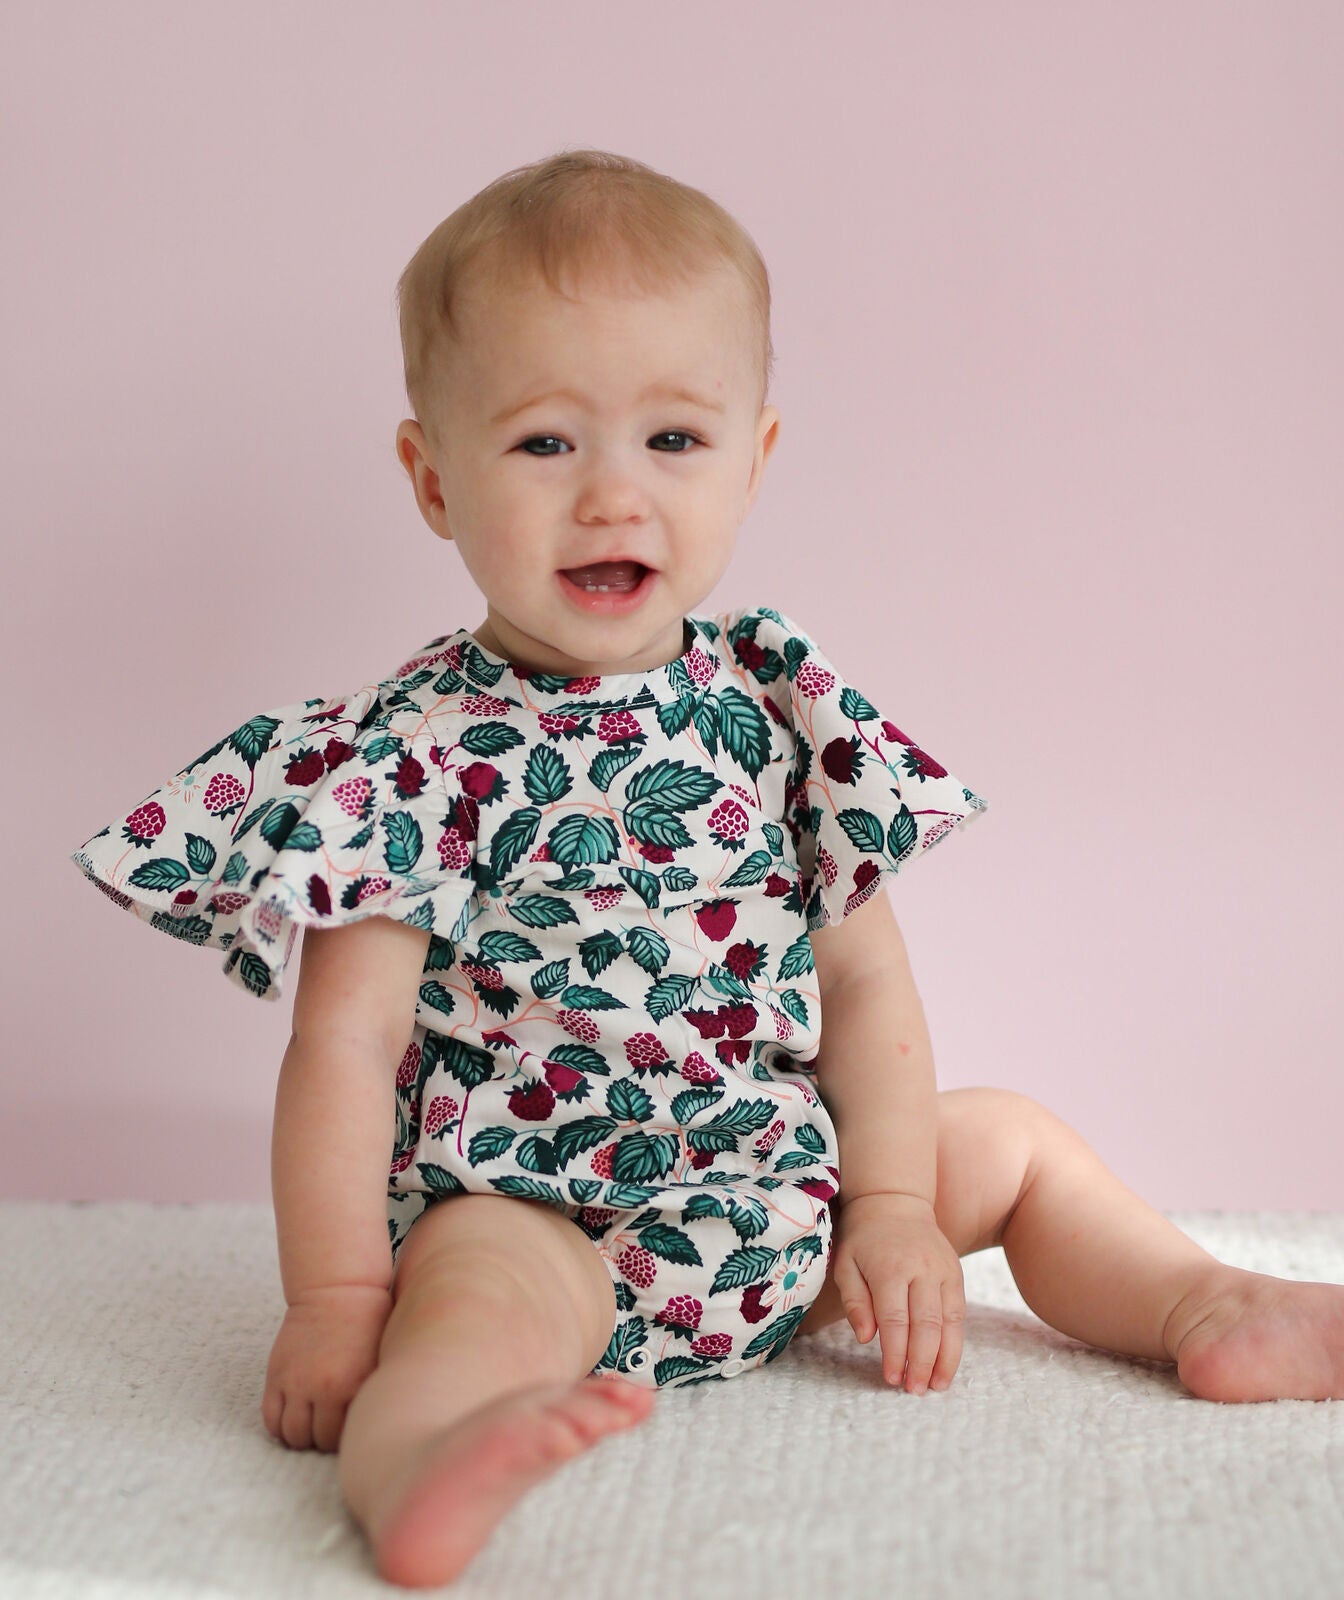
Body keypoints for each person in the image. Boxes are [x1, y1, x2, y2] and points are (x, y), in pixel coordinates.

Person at [69, 148, 1344, 1590]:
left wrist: (895, 1206)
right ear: (432, 478)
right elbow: (346, 1048)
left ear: (756, 456)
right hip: (543, 1210)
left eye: (673, 441)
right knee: (465, 1312)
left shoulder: (774, 707)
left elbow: (863, 980)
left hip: (780, 1190)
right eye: (546, 444)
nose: (615, 497)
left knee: (1022, 1144)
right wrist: (338, 1298)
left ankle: (1207, 1302)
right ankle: (426, 1454)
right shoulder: (409, 753)